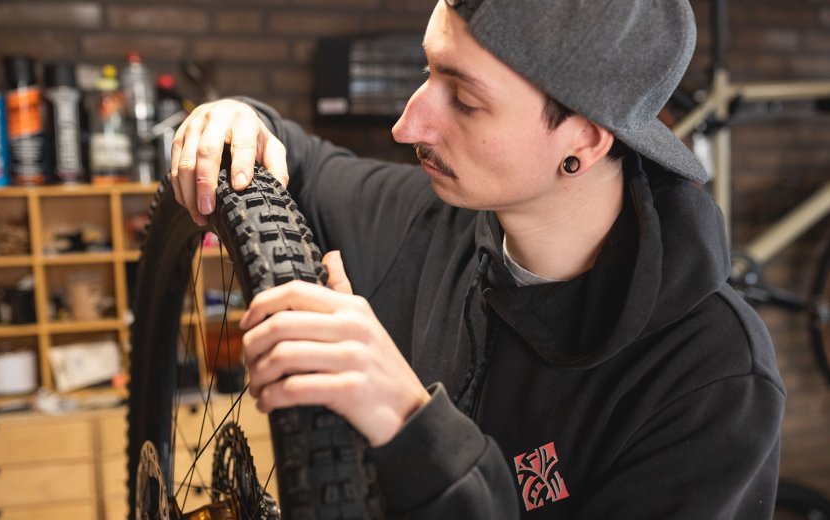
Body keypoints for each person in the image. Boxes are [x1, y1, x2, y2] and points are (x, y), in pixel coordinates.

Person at [171, 0, 786, 517]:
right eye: (428, 71)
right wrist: (236, 121)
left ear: (584, 140)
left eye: (464, 99)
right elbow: (299, 160)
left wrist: (413, 426)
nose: (407, 125)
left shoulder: (714, 380)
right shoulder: (433, 219)